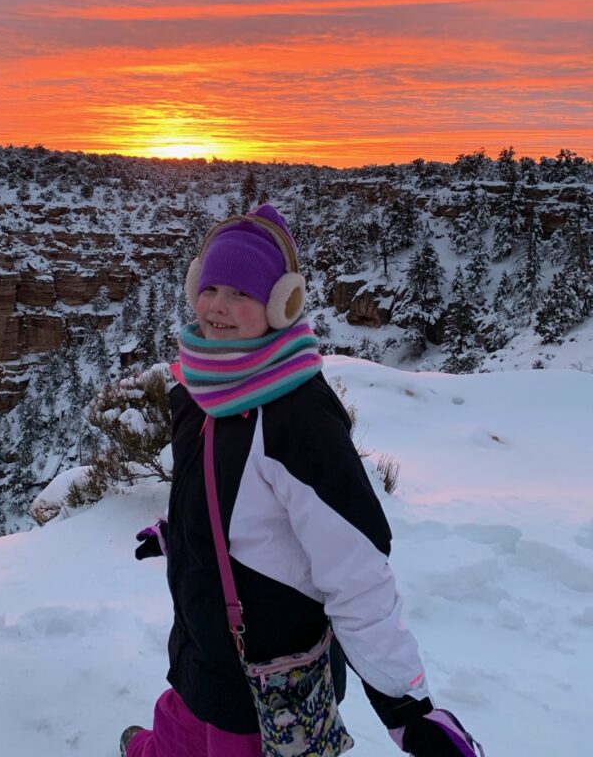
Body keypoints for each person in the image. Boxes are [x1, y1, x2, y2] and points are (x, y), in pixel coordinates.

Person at [122, 205, 483, 757]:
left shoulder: (298, 418)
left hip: (262, 689)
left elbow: (357, 571)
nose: (218, 305)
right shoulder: (200, 388)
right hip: (202, 656)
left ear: (280, 304)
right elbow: (229, 500)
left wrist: (407, 711)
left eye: (242, 293)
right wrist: (177, 533)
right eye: (211, 286)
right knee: (180, 722)